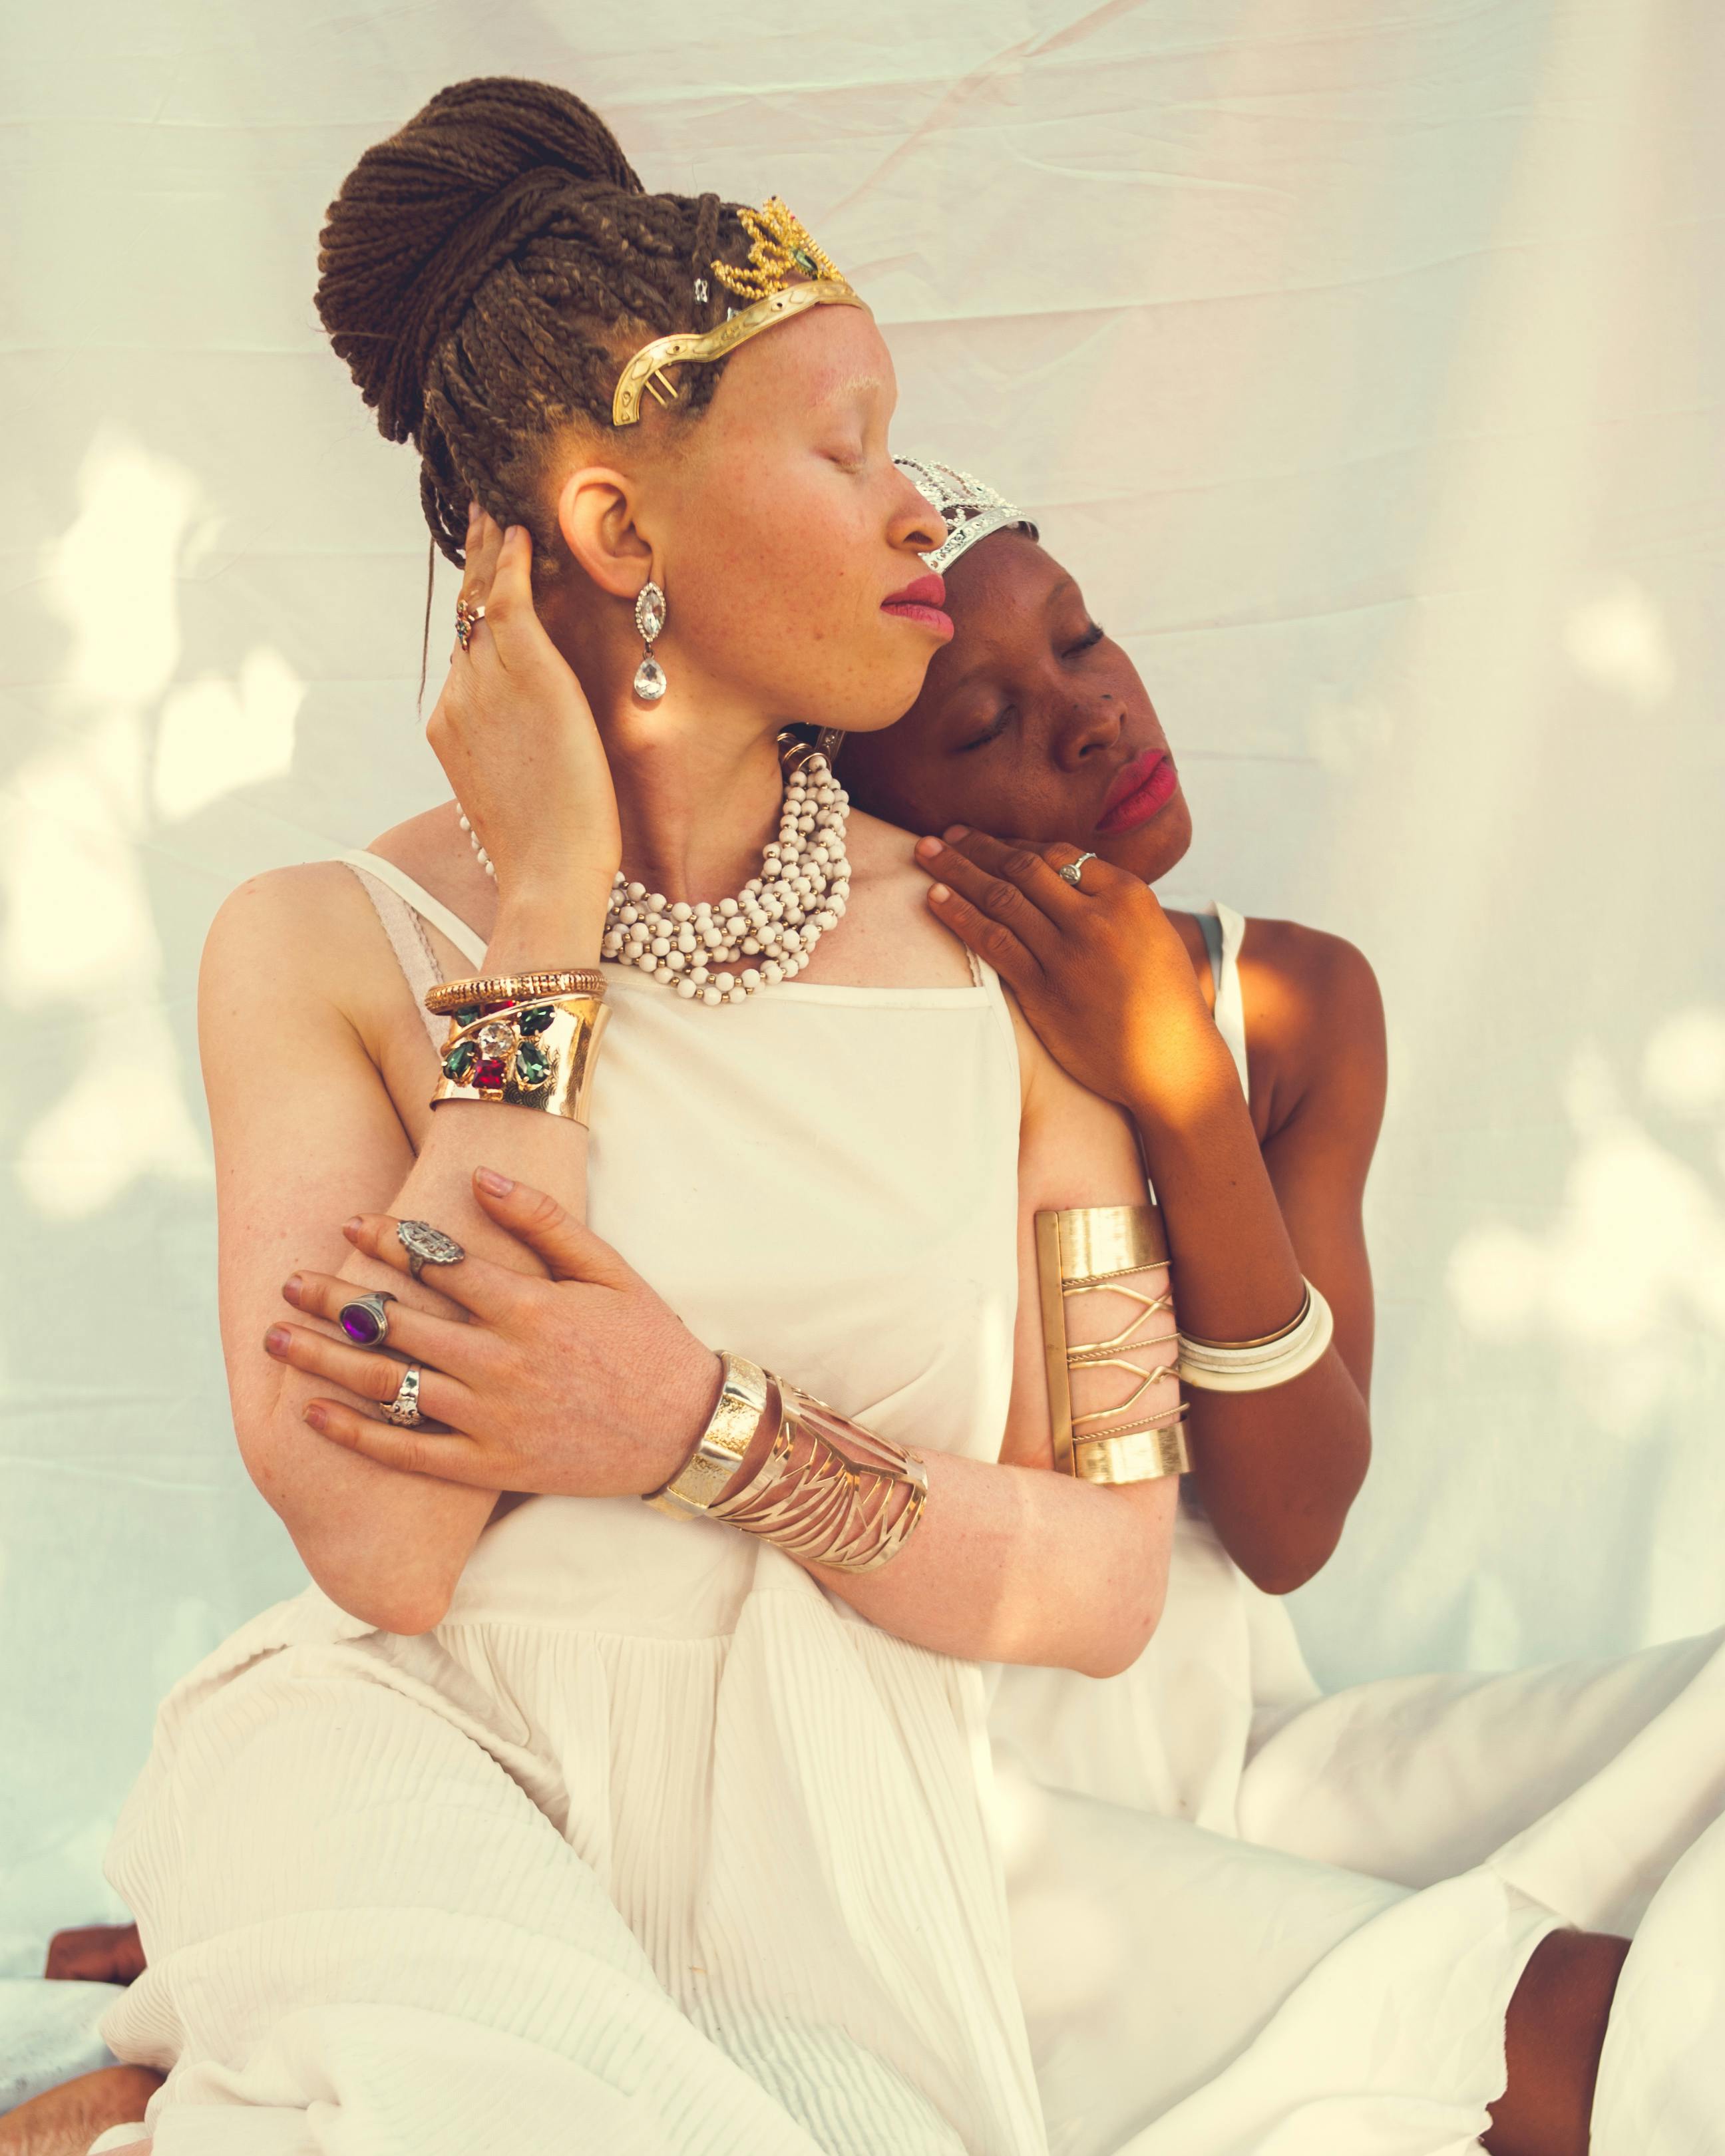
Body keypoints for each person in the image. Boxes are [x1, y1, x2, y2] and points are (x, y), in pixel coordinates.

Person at [32, 73, 1722, 2156]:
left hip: (904, 1792)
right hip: (436, 1764)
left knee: (1591, 2057)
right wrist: (545, 915)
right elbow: (384, 1540)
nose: (920, 506)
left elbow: (1107, 1581)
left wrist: (696, 1431)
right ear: (618, 530)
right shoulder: (318, 946)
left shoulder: (1002, 956)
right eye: (844, 451)